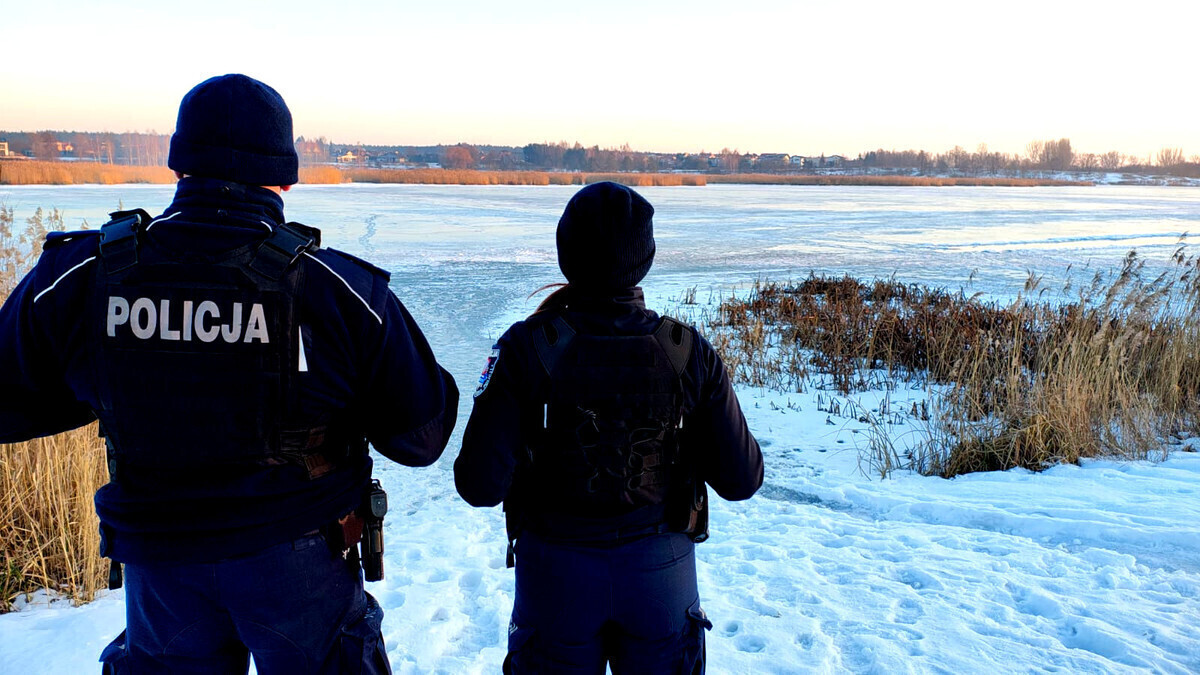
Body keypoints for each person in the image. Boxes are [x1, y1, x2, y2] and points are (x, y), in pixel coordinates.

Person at [0, 74, 459, 673]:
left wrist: (124, 385)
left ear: (177, 165)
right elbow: (421, 437)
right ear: (287, 177)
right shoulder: (337, 289)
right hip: (299, 560)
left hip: (160, 568)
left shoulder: (81, 275)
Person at [454, 181, 763, 673]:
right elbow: (742, 480)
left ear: (566, 254)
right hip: (661, 577)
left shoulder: (526, 348)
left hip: (556, 579)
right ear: (645, 257)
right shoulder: (686, 351)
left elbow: (478, 484)